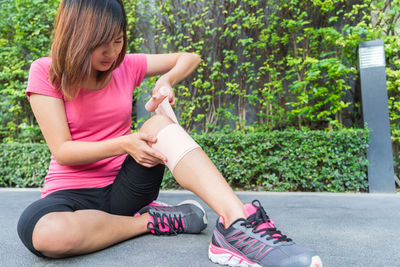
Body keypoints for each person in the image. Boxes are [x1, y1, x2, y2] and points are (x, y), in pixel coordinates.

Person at [17, 0, 322, 266]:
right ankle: (152, 222)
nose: (112, 53)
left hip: (128, 187)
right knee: (47, 236)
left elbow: (189, 57)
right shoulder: (46, 72)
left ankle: (236, 224)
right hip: (70, 194)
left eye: (118, 40)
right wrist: (125, 143)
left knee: (158, 125)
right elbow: (63, 150)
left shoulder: (126, 67)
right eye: (101, 43)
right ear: (77, 37)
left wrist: (166, 80)